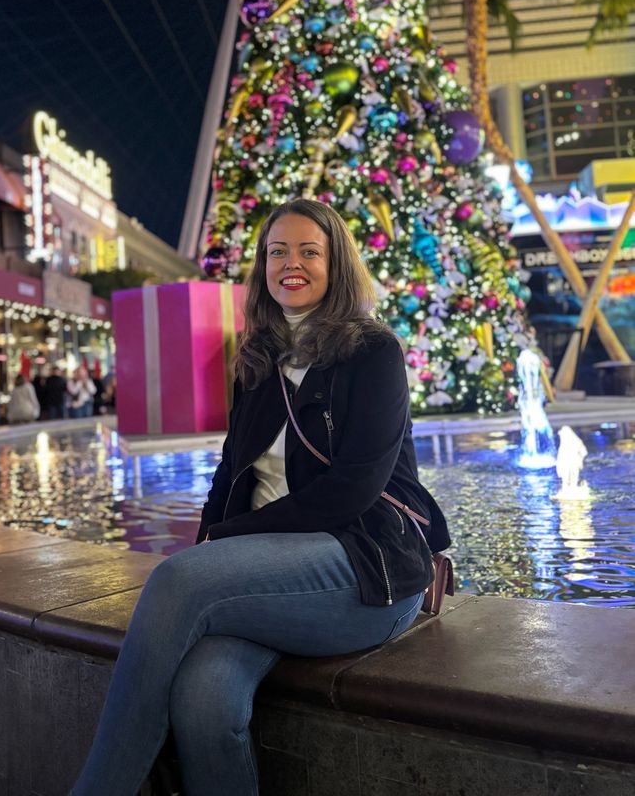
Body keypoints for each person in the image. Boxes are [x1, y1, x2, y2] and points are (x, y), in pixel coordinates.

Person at [69, 199, 450, 796]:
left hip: (367, 566)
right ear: (263, 266)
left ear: (336, 264)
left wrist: (222, 546)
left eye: (309, 251)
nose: (291, 264)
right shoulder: (258, 358)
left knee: (176, 581)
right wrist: (211, 538)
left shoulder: (373, 352)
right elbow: (230, 473)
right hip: (268, 574)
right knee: (204, 699)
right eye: (277, 252)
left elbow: (352, 490)